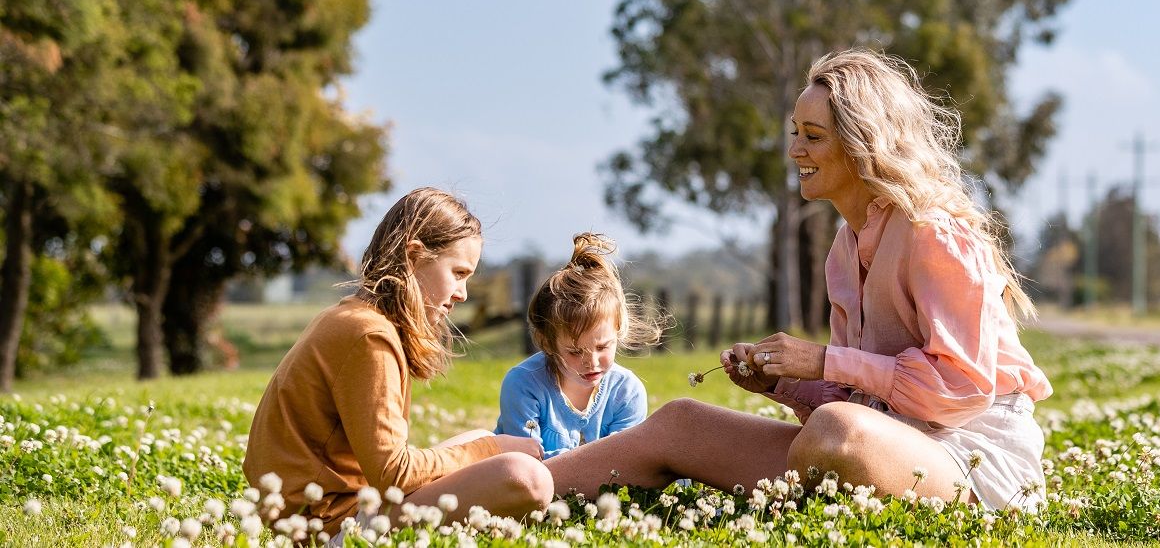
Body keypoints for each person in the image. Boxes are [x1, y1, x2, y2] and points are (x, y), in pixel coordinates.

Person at [545, 48, 1054, 510]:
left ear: (861, 146)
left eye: (813, 137)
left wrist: (822, 361)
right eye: (795, 133)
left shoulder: (931, 234)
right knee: (682, 422)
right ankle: (512, 486)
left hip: (974, 462)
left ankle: (800, 502)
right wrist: (786, 383)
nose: (795, 152)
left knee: (837, 434)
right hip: (882, 439)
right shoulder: (845, 247)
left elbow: (959, 390)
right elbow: (863, 399)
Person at [243, 187, 552, 527]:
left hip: (325, 510)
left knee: (480, 438)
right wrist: (492, 452)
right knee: (526, 477)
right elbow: (394, 473)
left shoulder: (356, 318)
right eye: (458, 273)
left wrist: (487, 447)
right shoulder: (370, 337)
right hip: (326, 524)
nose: (463, 293)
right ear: (414, 257)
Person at [494, 233, 661, 458]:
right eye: (574, 351)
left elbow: (625, 463)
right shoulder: (523, 384)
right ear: (547, 342)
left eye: (602, 347)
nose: (591, 362)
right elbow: (526, 464)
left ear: (618, 331)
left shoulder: (627, 392)